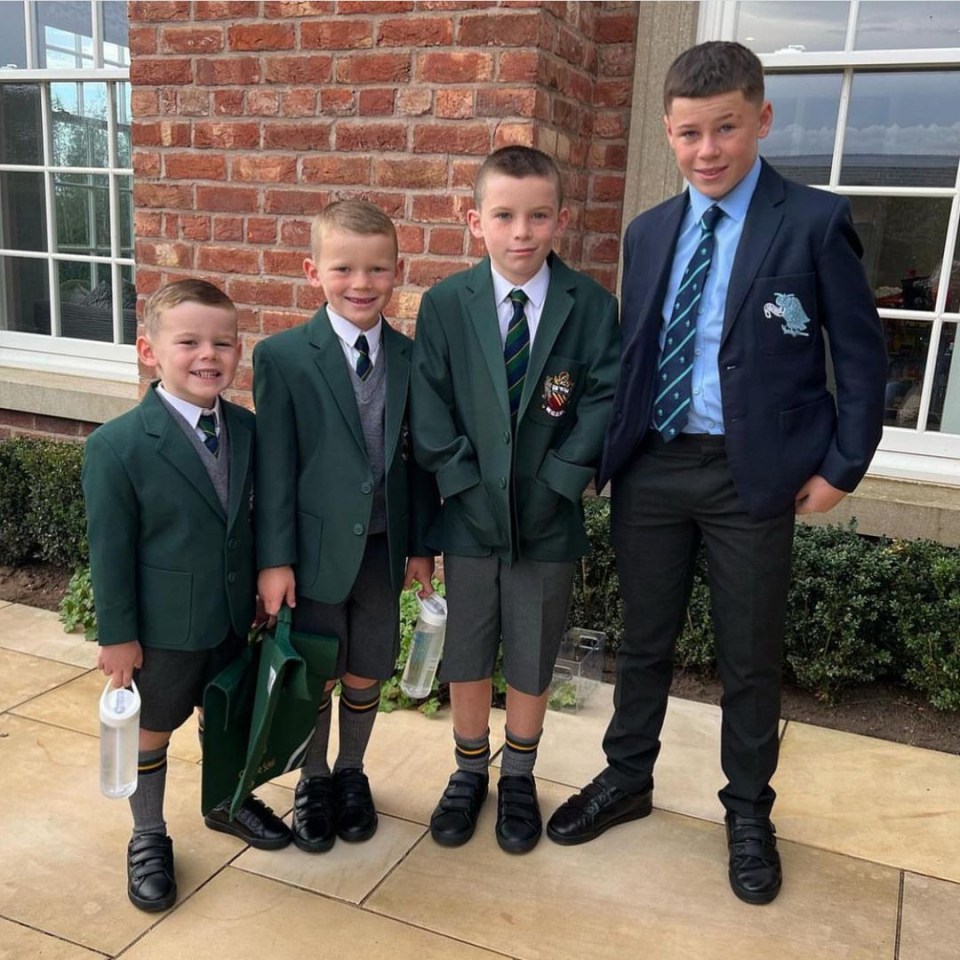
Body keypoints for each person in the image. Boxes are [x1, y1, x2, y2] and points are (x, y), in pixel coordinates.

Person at [545, 41, 887, 904]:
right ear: (668, 133)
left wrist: (844, 464)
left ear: (761, 120)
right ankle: (628, 779)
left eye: (726, 128)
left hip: (752, 479)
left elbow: (860, 353)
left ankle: (747, 812)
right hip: (655, 469)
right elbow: (636, 349)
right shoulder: (650, 230)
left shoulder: (810, 222)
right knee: (644, 640)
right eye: (690, 133)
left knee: (747, 656)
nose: (707, 150)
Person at [410, 145, 620, 854]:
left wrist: (560, 483)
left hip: (546, 518)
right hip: (468, 518)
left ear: (561, 219)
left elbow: (600, 398)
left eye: (537, 216)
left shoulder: (590, 306)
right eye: (504, 215)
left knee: (531, 652)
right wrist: (464, 487)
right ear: (476, 220)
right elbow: (430, 408)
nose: (521, 232)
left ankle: (521, 777)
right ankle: (470, 773)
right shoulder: (445, 304)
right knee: (467, 651)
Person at [84, 279, 291, 914]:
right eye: (190, 342)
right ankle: (148, 835)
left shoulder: (251, 431)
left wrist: (263, 577)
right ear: (149, 350)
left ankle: (227, 800)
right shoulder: (115, 447)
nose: (209, 355)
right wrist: (118, 637)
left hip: (233, 614)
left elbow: (254, 518)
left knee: (222, 712)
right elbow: (110, 553)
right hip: (163, 628)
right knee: (153, 729)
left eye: (224, 343)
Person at [253, 199, 437, 855]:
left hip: (385, 551)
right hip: (313, 553)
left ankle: (353, 771)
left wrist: (421, 544)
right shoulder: (282, 357)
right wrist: (274, 560)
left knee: (367, 668)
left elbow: (419, 460)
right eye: (344, 269)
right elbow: (274, 467)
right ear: (313, 270)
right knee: (318, 670)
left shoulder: (413, 358)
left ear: (397, 272)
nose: (361, 284)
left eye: (377, 270)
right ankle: (313, 776)